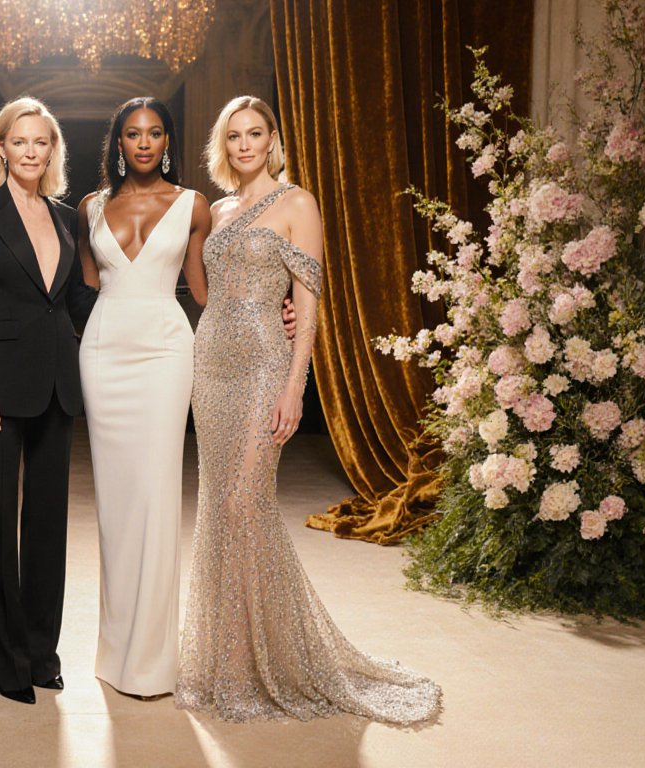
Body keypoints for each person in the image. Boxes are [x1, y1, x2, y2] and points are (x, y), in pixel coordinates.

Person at [175, 96, 442, 725]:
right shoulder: (216, 210)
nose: (244, 145)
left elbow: (310, 301)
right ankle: (228, 662)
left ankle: (273, 661)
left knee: (246, 503)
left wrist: (297, 384)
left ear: (273, 140)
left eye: (255, 134)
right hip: (210, 363)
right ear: (224, 144)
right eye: (233, 135)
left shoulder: (298, 202)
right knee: (218, 508)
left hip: (267, 366)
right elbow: (207, 291)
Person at [0, 97, 97, 706]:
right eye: (20, 141)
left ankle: (41, 652)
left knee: (46, 528)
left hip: (58, 384)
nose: (32, 152)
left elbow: (73, 301)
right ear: (0, 148)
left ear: (52, 151)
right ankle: (3, 659)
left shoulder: (65, 216)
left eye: (43, 143)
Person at [74, 97, 208, 699]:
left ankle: (153, 661)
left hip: (165, 350)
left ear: (168, 141)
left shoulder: (193, 205)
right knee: (116, 502)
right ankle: (115, 650)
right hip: (104, 352)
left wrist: (274, 306)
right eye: (133, 134)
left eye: (155, 133)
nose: (145, 143)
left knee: (156, 497)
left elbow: (206, 290)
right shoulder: (90, 208)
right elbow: (84, 285)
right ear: (119, 144)